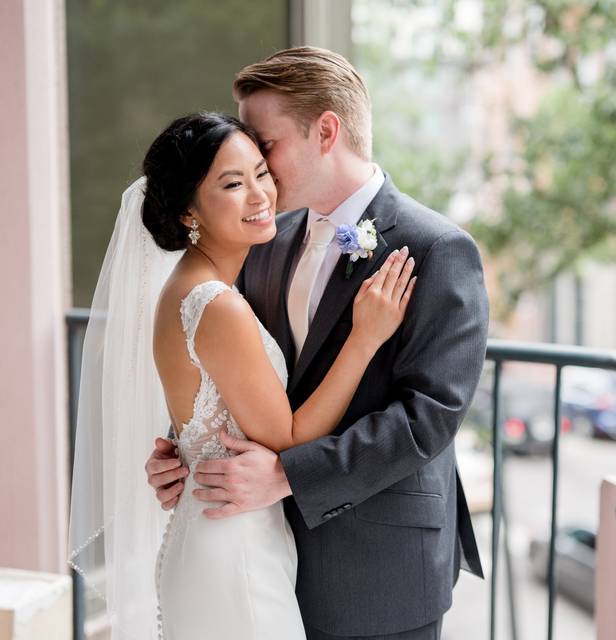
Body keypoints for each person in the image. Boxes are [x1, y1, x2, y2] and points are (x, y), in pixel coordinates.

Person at [144, 47, 489, 639]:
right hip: (260, 552)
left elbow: (428, 420)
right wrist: (184, 450)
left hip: (377, 570)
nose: (256, 163)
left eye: (265, 144)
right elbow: (227, 372)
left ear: (325, 131)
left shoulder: (438, 249)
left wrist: (289, 475)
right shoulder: (262, 238)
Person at [68, 111, 416, 640]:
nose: (260, 195)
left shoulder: (192, 285)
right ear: (190, 211)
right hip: (233, 549)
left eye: (260, 172)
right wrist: (364, 338)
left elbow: (202, 402)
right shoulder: (216, 304)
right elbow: (290, 438)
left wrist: (181, 448)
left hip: (216, 529)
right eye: (233, 183)